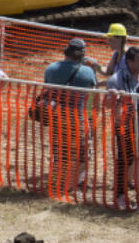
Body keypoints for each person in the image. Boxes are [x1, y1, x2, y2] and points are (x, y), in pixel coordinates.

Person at [40, 37, 98, 198]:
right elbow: (93, 93)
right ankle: (69, 184)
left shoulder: (51, 68)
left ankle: (56, 183)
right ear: (82, 54)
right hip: (77, 118)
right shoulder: (88, 71)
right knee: (82, 153)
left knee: (60, 152)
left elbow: (47, 88)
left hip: (56, 115)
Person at [106, 46, 139, 210]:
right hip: (125, 125)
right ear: (129, 61)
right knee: (125, 160)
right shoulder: (115, 79)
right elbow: (106, 104)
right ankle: (120, 195)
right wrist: (114, 98)